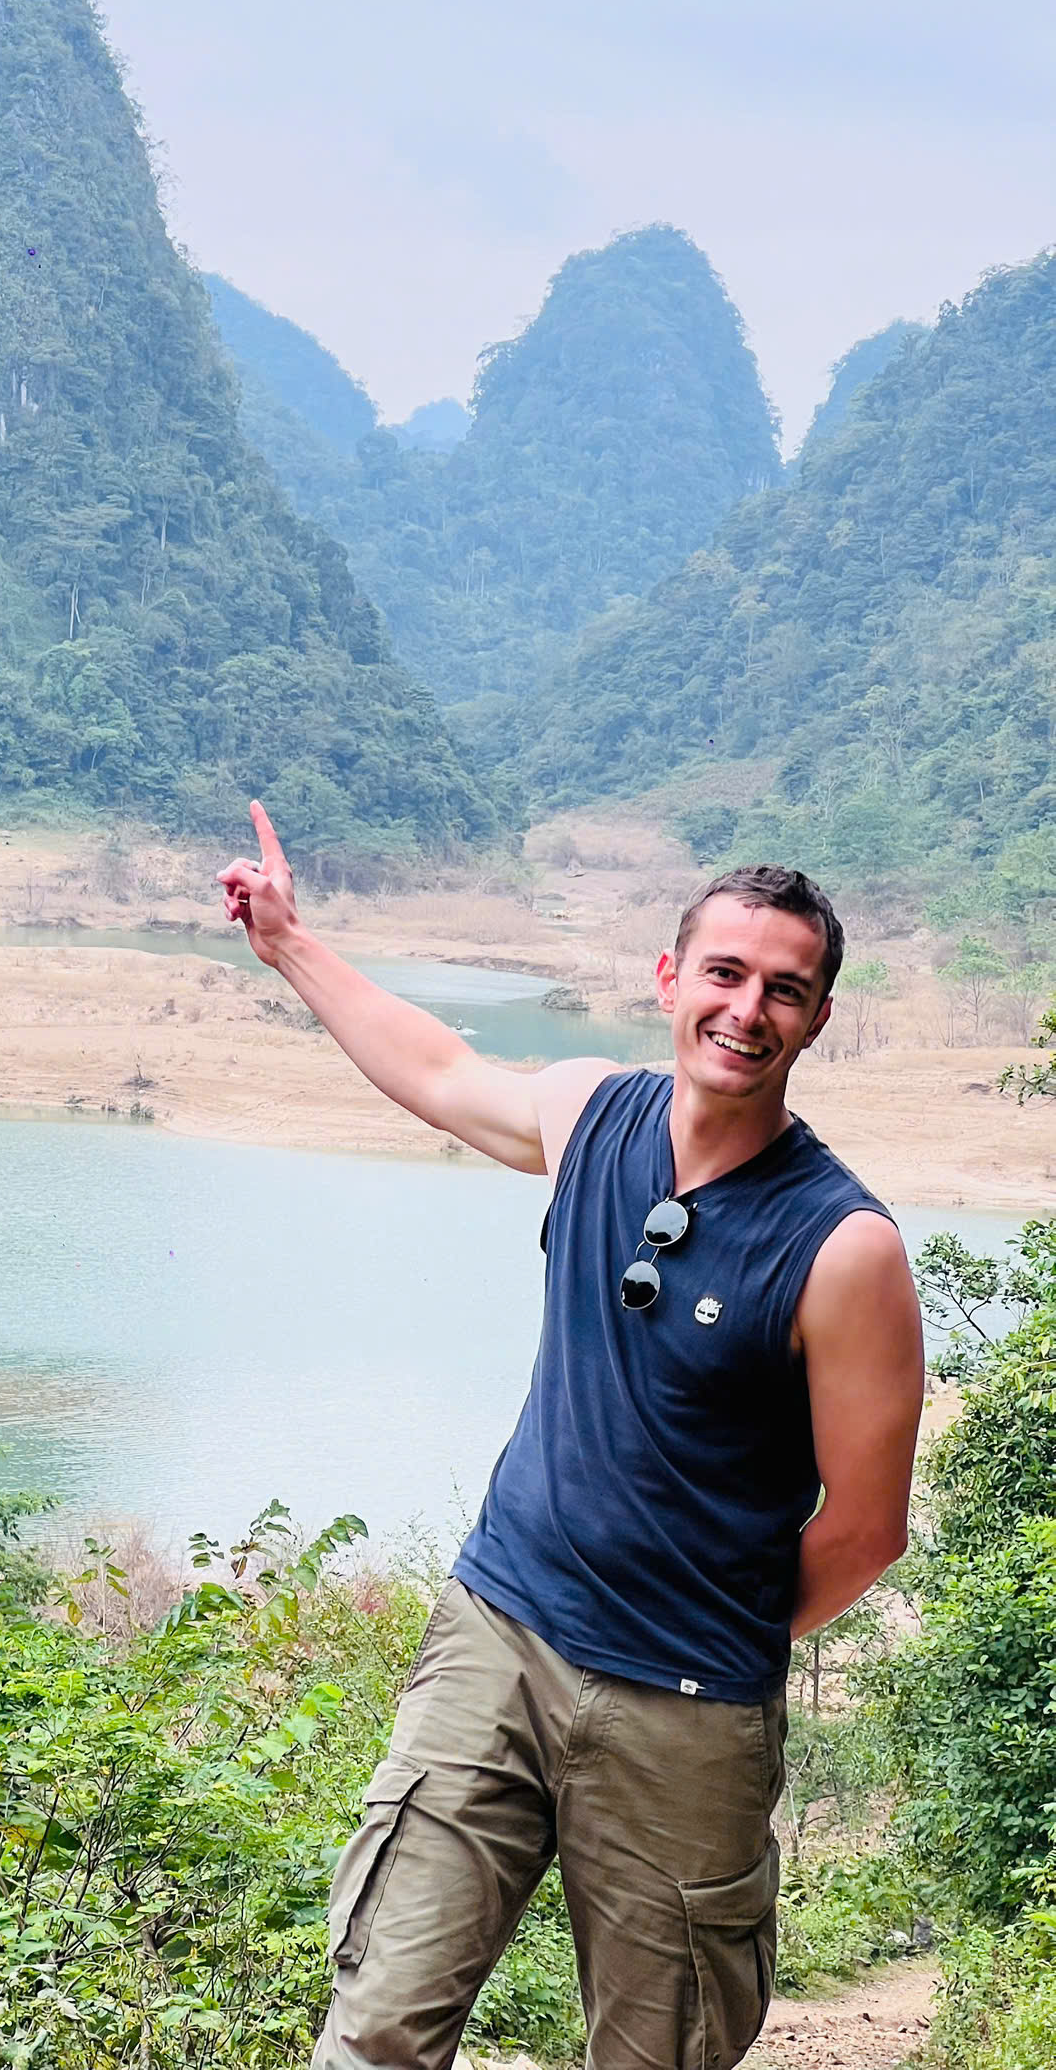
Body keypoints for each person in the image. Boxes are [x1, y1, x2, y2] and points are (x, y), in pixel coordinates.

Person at [216, 804, 924, 2070]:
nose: (745, 1010)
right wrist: (288, 946)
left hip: (686, 1713)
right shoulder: (593, 1117)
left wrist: (696, 1630)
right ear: (670, 980)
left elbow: (866, 1532)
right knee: (376, 2022)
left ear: (816, 1019)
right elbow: (436, 1069)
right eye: (723, 973)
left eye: (783, 990)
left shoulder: (844, 1249)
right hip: (498, 1641)